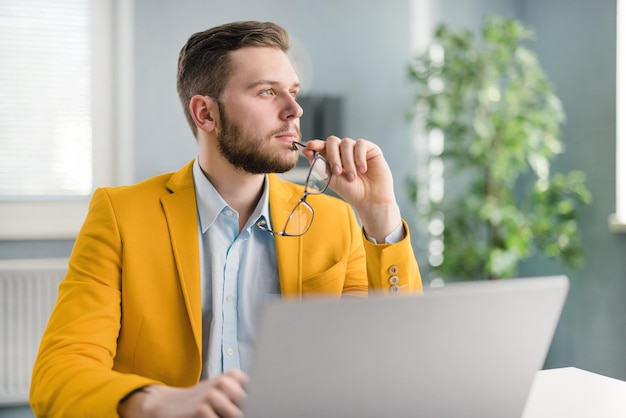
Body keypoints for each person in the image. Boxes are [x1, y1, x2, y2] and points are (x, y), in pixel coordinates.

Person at [29, 20, 422, 418]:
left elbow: (398, 360)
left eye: (294, 91)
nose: (295, 109)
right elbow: (58, 375)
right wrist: (158, 401)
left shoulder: (334, 220)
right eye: (268, 92)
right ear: (205, 114)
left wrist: (380, 216)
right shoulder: (121, 216)